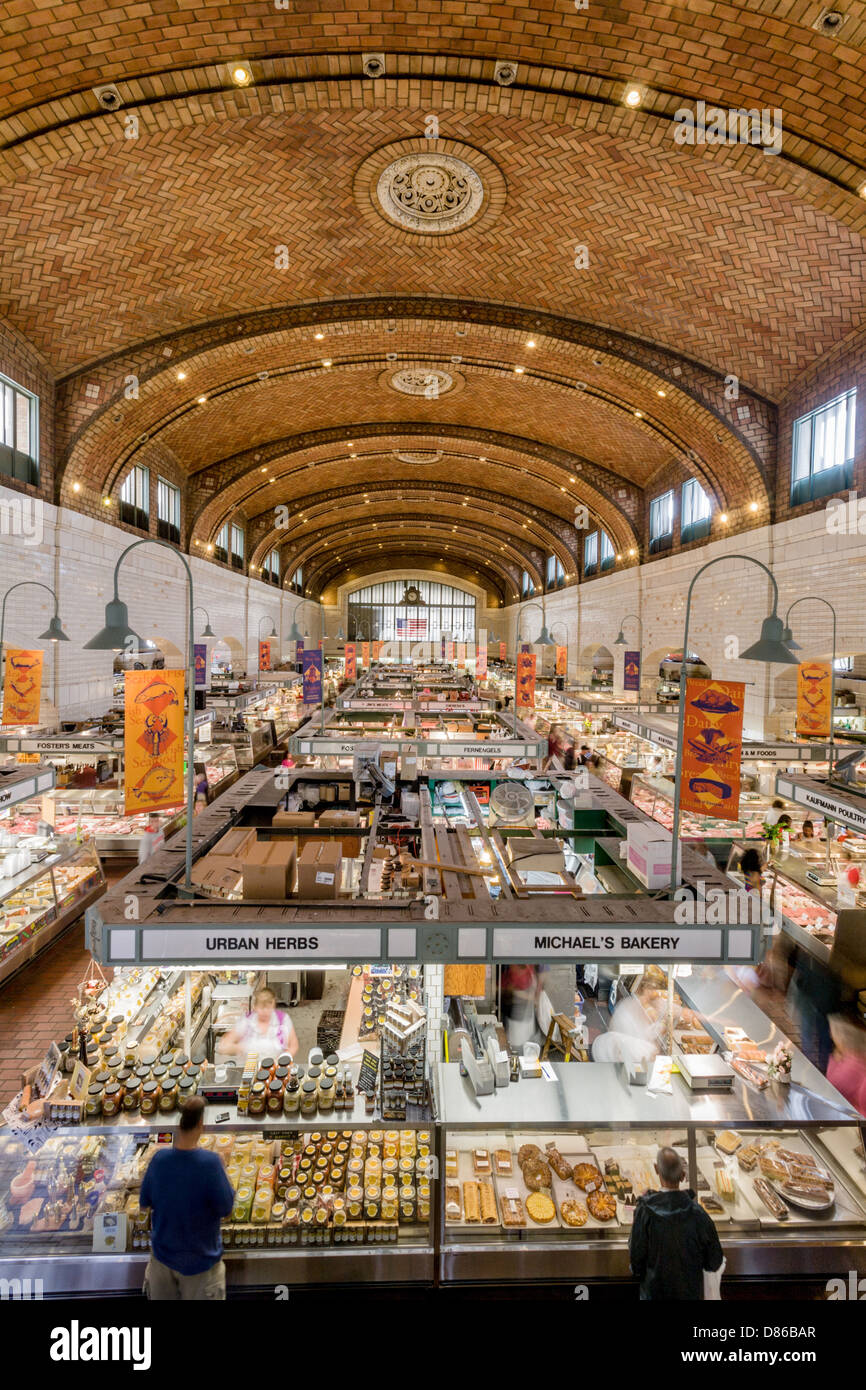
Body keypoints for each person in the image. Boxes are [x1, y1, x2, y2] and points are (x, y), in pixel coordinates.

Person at [140, 1096, 235, 1300]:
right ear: (201, 1124)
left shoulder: (159, 1160)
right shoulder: (211, 1164)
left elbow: (145, 1202)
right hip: (200, 1264)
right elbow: (226, 1209)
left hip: (162, 1261)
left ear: (179, 1123)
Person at [629, 1147, 724, 1300]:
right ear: (683, 1175)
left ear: (656, 1169)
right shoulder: (699, 1214)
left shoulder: (645, 1211)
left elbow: (636, 1261)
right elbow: (714, 1261)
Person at [219, 984, 299, 1061]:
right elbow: (224, 1046)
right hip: (251, 1068)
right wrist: (240, 1048)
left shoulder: (283, 1020)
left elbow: (294, 1046)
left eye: (268, 1008)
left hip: (276, 1068)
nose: (265, 1012)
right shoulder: (247, 1021)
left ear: (273, 1006)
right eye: (261, 1008)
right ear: (255, 1007)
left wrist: (283, 1060)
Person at [827, 1014, 866, 1118]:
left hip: (853, 1121)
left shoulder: (854, 1063)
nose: (831, 1035)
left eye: (834, 1034)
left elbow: (833, 1087)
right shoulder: (846, 1056)